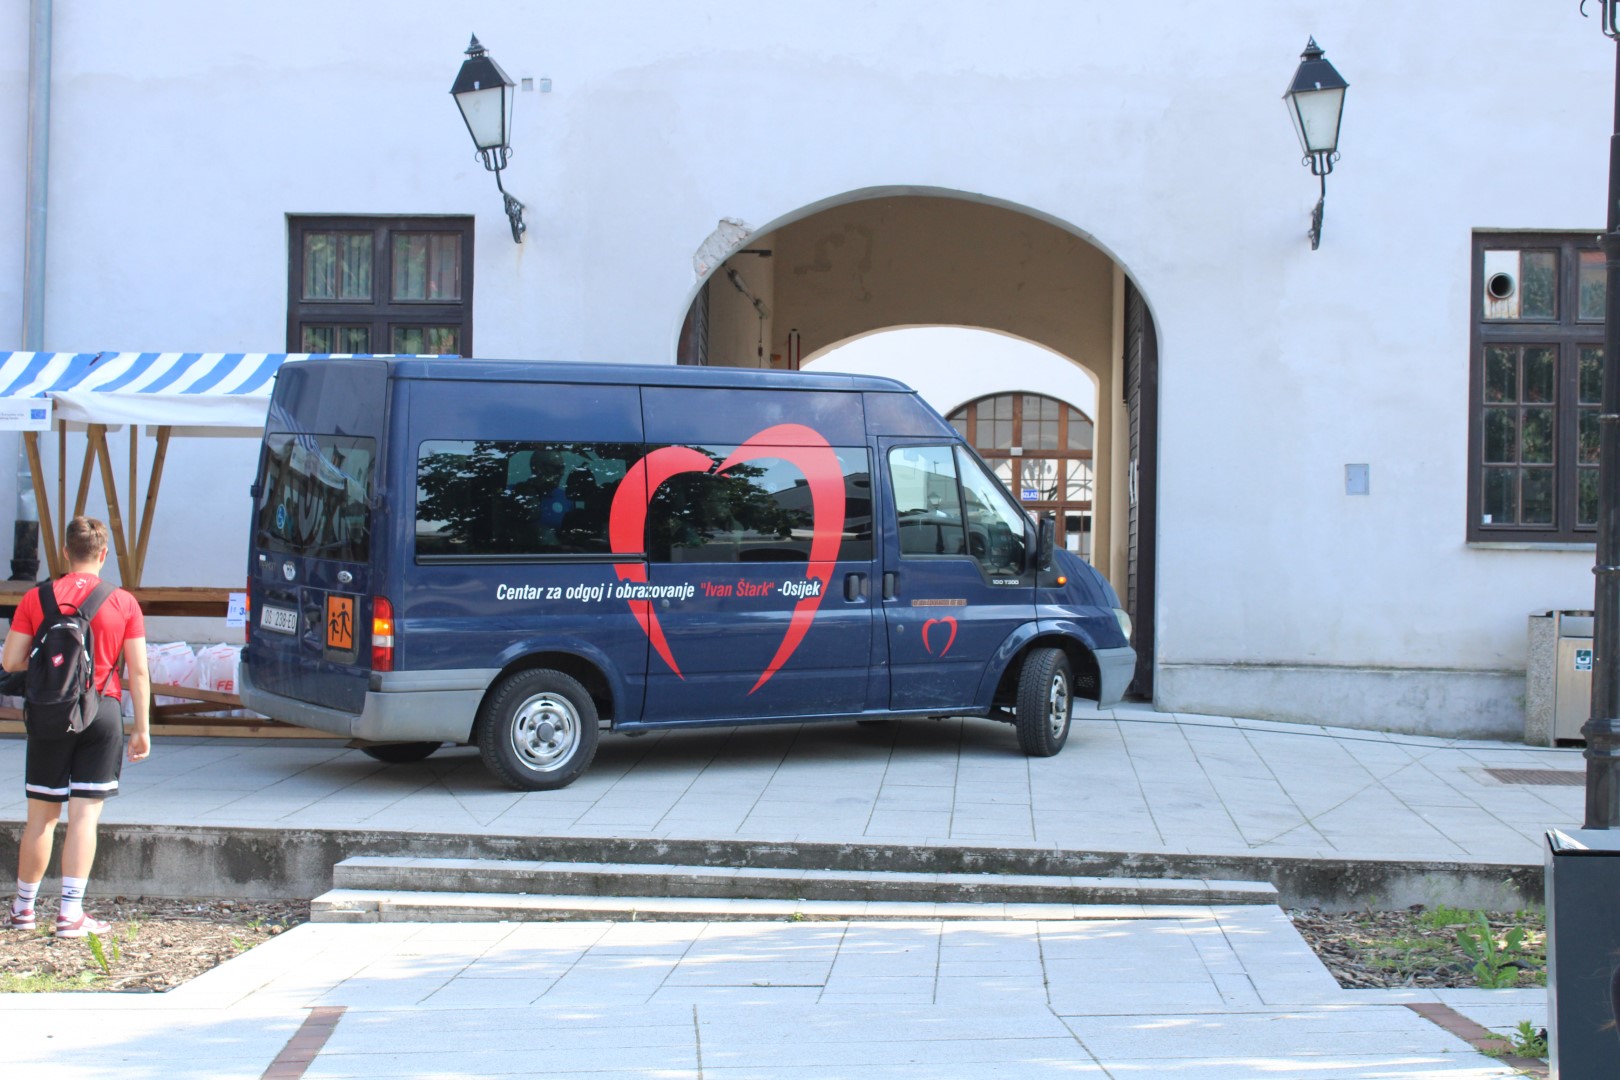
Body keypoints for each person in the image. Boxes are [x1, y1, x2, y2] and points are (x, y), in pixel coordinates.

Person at [2, 516, 150, 937]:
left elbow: (10, 661)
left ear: (66, 552)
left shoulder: (36, 597)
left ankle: (23, 909)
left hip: (50, 712)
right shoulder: (123, 602)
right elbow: (138, 671)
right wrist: (142, 728)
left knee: (41, 816)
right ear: (104, 554)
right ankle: (70, 913)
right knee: (84, 815)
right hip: (101, 710)